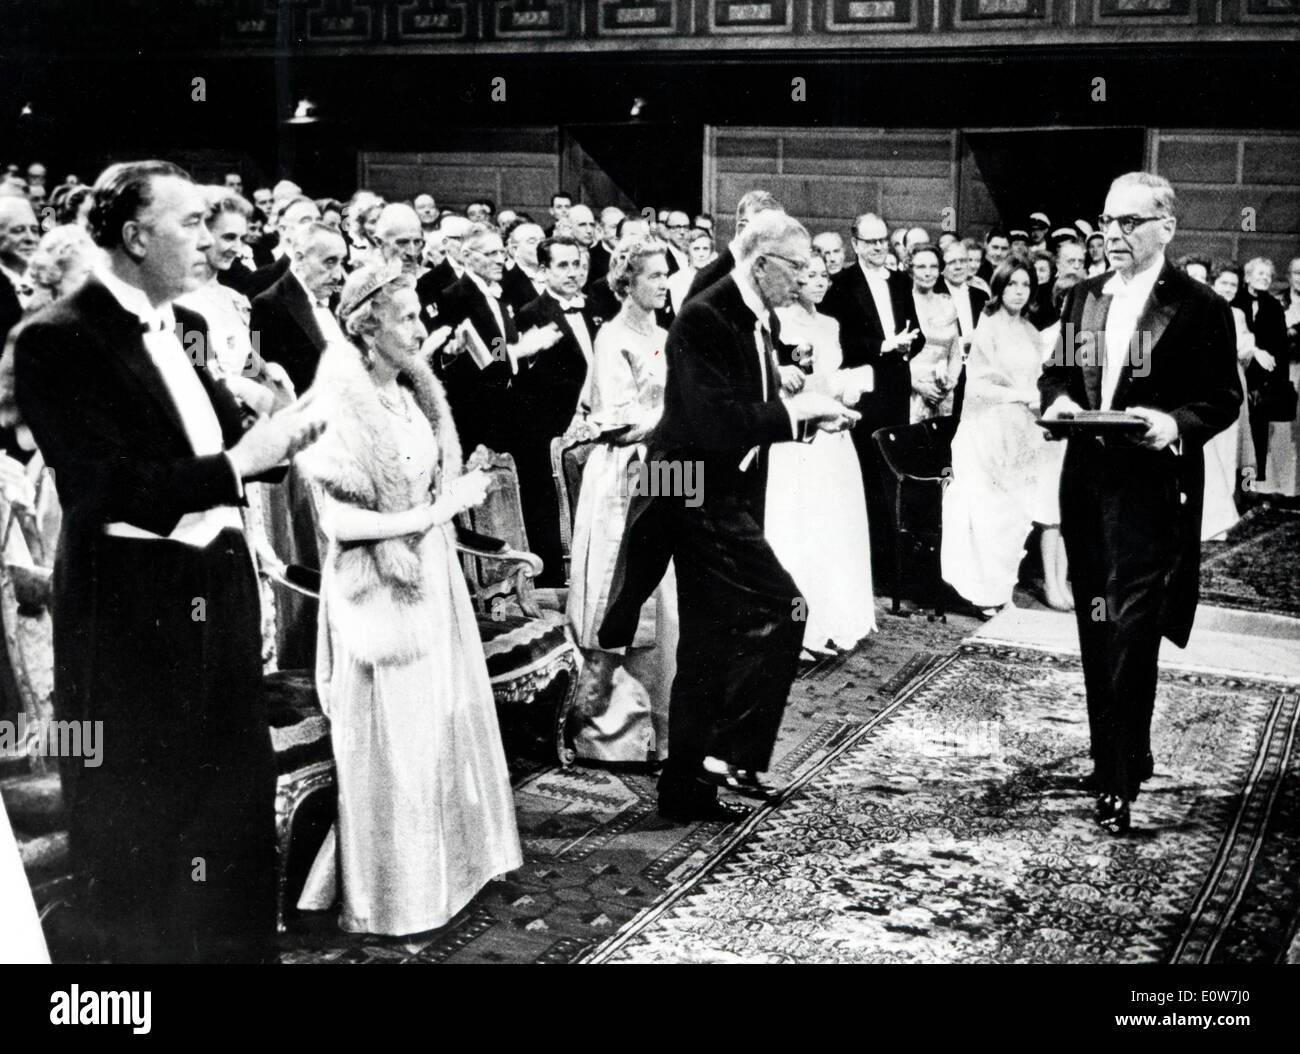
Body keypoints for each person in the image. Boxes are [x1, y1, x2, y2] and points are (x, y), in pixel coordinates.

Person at [14, 159, 325, 961]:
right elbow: (101, 490)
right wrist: (238, 463)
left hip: (214, 594)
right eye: (189, 224)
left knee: (228, 810)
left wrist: (279, 441)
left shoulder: (177, 325)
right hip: (132, 616)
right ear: (133, 234)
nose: (212, 242)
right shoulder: (55, 338)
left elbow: (220, 442)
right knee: (141, 825)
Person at [597, 212, 860, 822]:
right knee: (783, 606)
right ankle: (727, 753)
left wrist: (802, 411)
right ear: (763, 263)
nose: (802, 281)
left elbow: (740, 401)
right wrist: (802, 414)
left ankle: (685, 786)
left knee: (710, 636)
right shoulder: (708, 313)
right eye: (795, 269)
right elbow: (718, 424)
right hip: (690, 489)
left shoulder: (743, 300)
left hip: (709, 484)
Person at [296, 264, 521, 935]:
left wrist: (453, 497)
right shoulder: (339, 404)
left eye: (421, 316)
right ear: (367, 329)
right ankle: (399, 895)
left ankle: (452, 872)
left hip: (434, 577)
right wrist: (435, 513)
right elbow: (341, 526)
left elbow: (427, 483)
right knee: (398, 739)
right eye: (408, 319)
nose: (423, 329)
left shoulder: (417, 391)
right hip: (379, 589)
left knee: (442, 723)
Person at [1040, 172, 1241, 834]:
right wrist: (1059, 400)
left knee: (1132, 629)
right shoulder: (1081, 298)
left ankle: (1120, 778)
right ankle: (1115, 755)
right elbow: (1059, 371)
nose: (1114, 235)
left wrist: (1174, 424)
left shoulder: (1199, 306)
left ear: (1166, 228)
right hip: (1088, 484)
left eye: (1129, 223)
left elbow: (1221, 399)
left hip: (1151, 493)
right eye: (1107, 222)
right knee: (1097, 624)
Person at [566, 236, 678, 763]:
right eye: (653, 276)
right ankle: (610, 733)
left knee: (670, 588)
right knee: (622, 584)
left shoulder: (664, 332)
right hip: (623, 475)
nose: (662, 284)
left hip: (670, 468)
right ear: (626, 282)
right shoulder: (612, 338)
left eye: (666, 276)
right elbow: (616, 418)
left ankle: (665, 729)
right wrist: (678, 419)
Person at [943, 259, 1069, 615]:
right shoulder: (989, 327)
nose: (1018, 291)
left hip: (1019, 430)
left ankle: (1003, 589)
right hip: (986, 430)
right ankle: (985, 594)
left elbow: (1037, 379)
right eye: (1012, 284)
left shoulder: (1030, 329)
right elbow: (979, 386)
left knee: (1018, 512)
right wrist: (1019, 395)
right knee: (989, 510)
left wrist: (1036, 400)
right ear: (999, 288)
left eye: (1025, 285)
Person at [766, 250, 876, 657]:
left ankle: (831, 620)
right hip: (801, 436)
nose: (818, 282)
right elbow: (798, 384)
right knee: (800, 529)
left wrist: (849, 387)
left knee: (833, 528)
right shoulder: (782, 323)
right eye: (808, 275)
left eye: (823, 276)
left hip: (834, 437)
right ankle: (799, 629)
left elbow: (830, 376)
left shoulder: (830, 324)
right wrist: (833, 388)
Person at [820, 211, 920, 586]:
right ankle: (872, 567)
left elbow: (916, 329)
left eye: (883, 240)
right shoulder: (841, 284)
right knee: (867, 479)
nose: (879, 247)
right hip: (863, 393)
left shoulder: (899, 281)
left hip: (896, 389)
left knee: (894, 474)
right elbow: (838, 341)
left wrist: (908, 344)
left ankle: (894, 566)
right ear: (856, 244)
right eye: (871, 241)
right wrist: (882, 345)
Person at [512, 235, 597, 586]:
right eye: (563, 265)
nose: (573, 272)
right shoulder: (530, 314)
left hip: (597, 423)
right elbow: (519, 373)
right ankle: (552, 581)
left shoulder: (597, 308)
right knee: (550, 506)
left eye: (577, 264)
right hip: (553, 427)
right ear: (544, 271)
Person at [1202, 262, 1255, 538]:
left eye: (1234, 285)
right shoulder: (1202, 307)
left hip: (1232, 387)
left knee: (1228, 451)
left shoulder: (1237, 314)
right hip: (1205, 386)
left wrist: (1247, 347)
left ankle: (1221, 518)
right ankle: (1206, 517)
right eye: (1224, 282)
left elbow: (1244, 349)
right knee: (1207, 450)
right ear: (1213, 283)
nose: (1228, 288)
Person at [1235, 257, 1291, 494]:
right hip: (1237, 375)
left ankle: (1250, 489)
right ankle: (1233, 488)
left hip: (1262, 381)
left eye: (1268, 276)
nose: (1264, 279)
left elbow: (1281, 348)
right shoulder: (1235, 301)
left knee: (1256, 436)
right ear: (1247, 277)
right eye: (1259, 274)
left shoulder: (1274, 307)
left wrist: (1279, 383)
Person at [685, 190, 783, 302]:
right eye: (768, 232)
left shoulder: (779, 276)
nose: (776, 240)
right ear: (742, 228)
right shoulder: (710, 280)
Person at [907, 245, 962, 422]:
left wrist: (951, 381)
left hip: (942, 391)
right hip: (912, 391)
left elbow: (955, 354)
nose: (928, 273)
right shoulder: (902, 302)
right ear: (910, 270)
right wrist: (918, 386)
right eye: (921, 267)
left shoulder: (948, 303)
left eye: (933, 267)